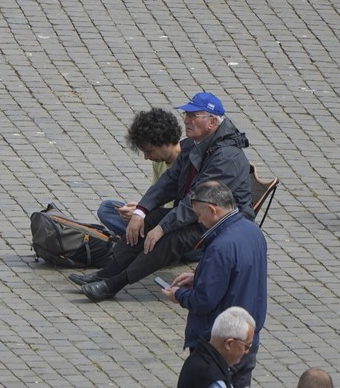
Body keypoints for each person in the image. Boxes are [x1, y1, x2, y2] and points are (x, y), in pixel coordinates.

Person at [70, 92, 253, 301]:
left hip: (220, 222)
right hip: (199, 215)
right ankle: (107, 272)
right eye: (186, 114)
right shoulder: (193, 145)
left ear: (212, 122)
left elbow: (198, 198)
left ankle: (113, 284)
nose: (186, 120)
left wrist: (162, 228)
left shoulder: (226, 156)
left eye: (193, 116)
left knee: (170, 238)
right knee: (149, 219)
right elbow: (168, 181)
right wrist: (141, 211)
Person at [163, 181, 268, 388]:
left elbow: (204, 300)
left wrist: (179, 295)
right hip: (248, 337)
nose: (199, 221)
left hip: (223, 344)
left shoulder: (220, 246)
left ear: (212, 209)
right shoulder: (253, 231)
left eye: (199, 215)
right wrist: (200, 275)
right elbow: (241, 272)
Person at [97, 108, 183, 236]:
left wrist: (144, 213)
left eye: (149, 151)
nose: (146, 157)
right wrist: (139, 209)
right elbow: (157, 197)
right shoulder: (159, 162)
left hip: (173, 223)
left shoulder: (187, 163)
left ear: (165, 143)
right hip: (157, 217)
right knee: (107, 208)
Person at [177, 306, 256, 388]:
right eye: (247, 346)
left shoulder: (197, 357)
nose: (247, 351)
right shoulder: (215, 381)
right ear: (229, 344)